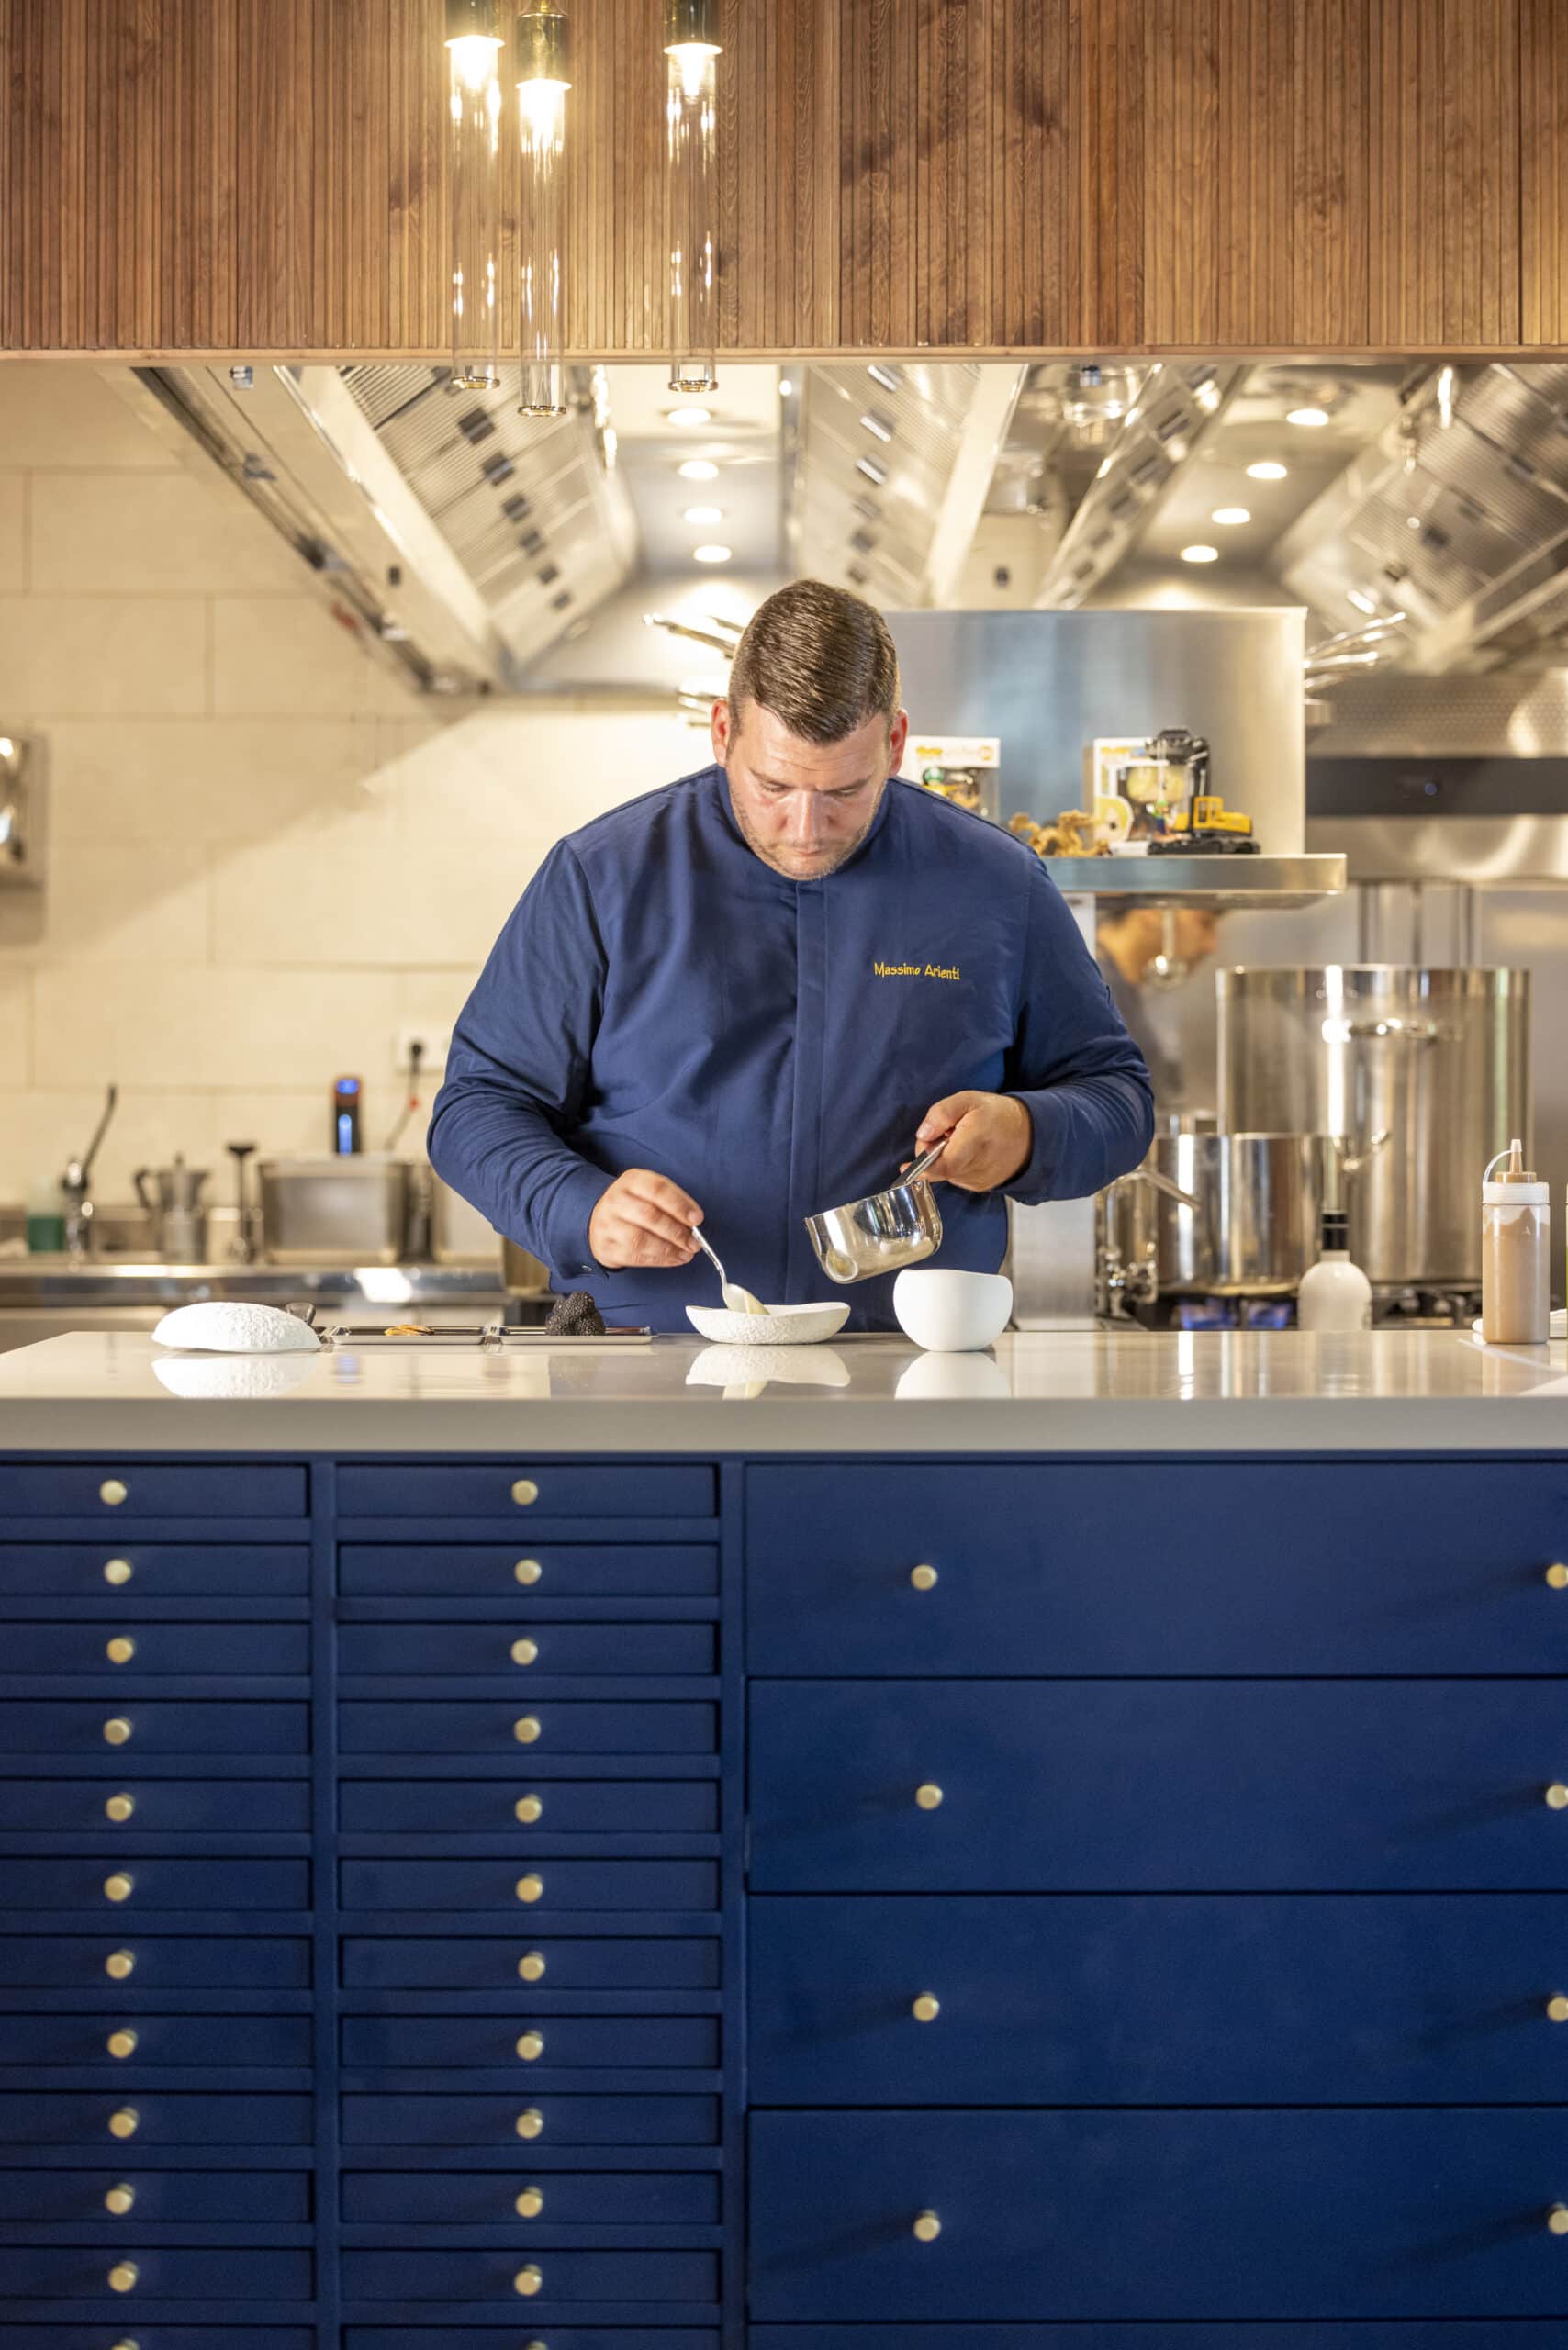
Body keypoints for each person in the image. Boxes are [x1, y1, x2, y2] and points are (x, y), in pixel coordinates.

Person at [429, 581, 1154, 1331]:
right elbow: (475, 1107)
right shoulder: (601, 876)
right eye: (773, 784)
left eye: (845, 789)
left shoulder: (997, 883)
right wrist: (575, 1206)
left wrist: (1027, 1133)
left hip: (914, 1370)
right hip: (643, 1362)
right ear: (721, 732)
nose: (806, 827)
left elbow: (1118, 1099)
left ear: (897, 743)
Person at [1095, 903, 1219, 1110]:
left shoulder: (1125, 990)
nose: (1212, 945)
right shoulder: (1098, 988)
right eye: (1204, 923)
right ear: (1151, 912)